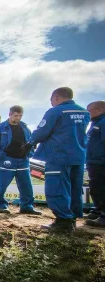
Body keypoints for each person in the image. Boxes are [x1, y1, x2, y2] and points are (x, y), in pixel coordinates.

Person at [30, 87, 90, 233]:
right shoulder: (84, 112)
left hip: (58, 156)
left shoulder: (55, 111)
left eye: (51, 99)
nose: (51, 102)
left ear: (56, 97)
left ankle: (63, 221)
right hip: (78, 157)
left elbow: (42, 132)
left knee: (56, 188)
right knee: (73, 189)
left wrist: (31, 141)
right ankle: (72, 219)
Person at [0, 106, 41, 215]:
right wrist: (2, 156)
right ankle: (2, 205)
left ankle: (27, 206)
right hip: (7, 159)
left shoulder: (25, 128)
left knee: (26, 185)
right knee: (1, 185)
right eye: (15, 115)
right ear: (10, 114)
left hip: (23, 160)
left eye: (20, 116)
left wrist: (29, 154)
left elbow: (31, 142)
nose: (18, 118)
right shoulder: (0, 128)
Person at [85, 101, 105, 229]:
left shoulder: (103, 123)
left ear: (99, 110)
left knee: (102, 189)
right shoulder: (96, 123)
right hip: (94, 162)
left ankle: (103, 217)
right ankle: (98, 211)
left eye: (89, 111)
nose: (87, 114)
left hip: (101, 162)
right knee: (95, 188)